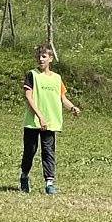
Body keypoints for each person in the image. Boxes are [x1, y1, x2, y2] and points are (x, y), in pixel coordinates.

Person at [20, 44, 79, 194]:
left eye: (44, 56)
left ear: (50, 59)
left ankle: (49, 183)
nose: (41, 59)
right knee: (30, 151)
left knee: (48, 152)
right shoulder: (32, 75)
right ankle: (24, 176)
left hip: (50, 122)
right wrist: (40, 116)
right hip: (33, 122)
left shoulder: (57, 78)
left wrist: (72, 107)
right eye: (39, 56)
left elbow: (62, 98)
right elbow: (28, 96)